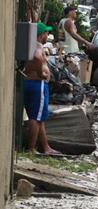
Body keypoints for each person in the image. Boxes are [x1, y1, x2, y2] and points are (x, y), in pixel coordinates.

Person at [23, 22, 59, 154]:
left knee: (39, 117)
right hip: (38, 85)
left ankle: (45, 147)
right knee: (35, 117)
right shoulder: (37, 46)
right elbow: (37, 57)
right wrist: (40, 73)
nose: (47, 35)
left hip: (30, 83)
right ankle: (31, 149)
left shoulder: (29, 44)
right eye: (46, 33)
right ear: (41, 35)